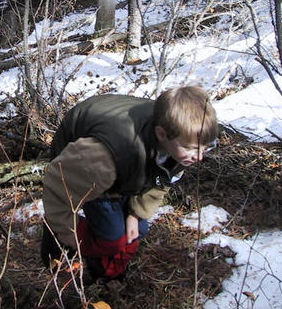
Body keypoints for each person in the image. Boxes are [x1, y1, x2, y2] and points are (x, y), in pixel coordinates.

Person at [40, 86, 218, 280]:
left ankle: (106, 262)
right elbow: (58, 185)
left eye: (206, 148)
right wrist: (67, 231)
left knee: (138, 229)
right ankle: (76, 255)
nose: (199, 157)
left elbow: (161, 180)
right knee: (111, 239)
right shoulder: (107, 156)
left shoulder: (184, 140)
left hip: (120, 163)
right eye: (191, 149)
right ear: (161, 134)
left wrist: (135, 213)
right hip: (83, 161)